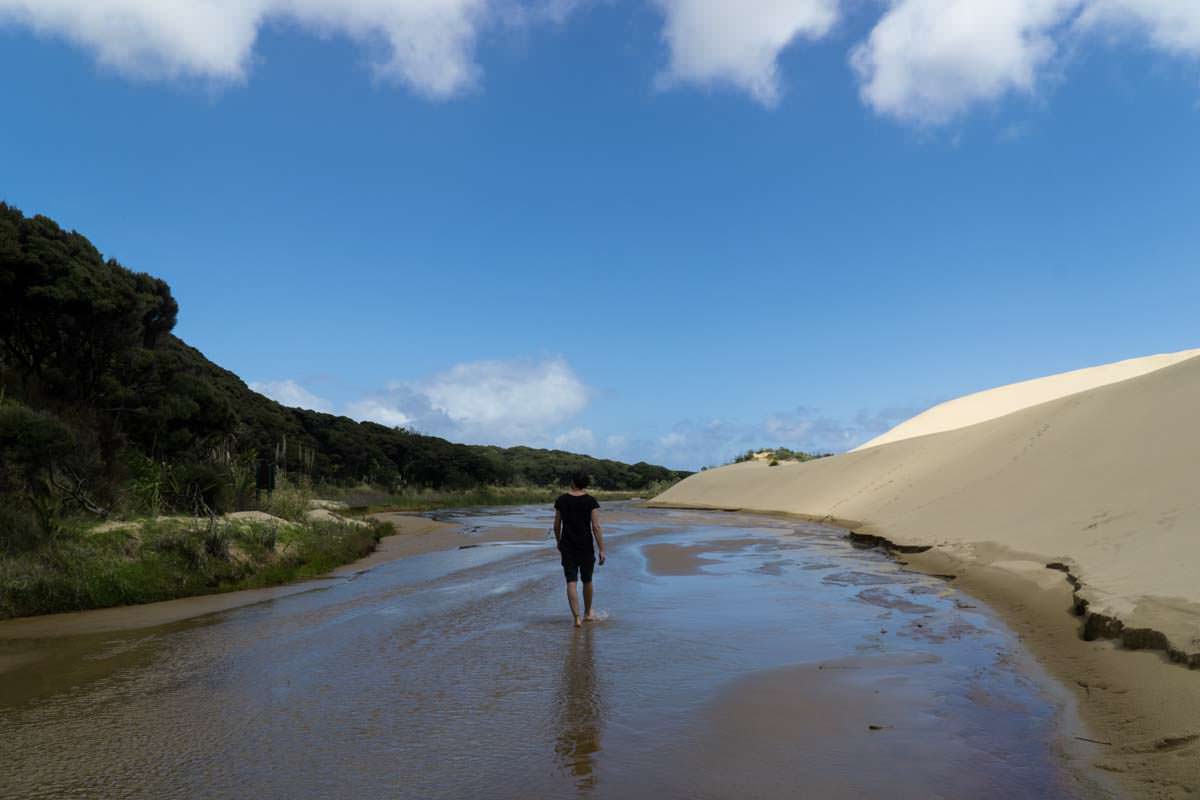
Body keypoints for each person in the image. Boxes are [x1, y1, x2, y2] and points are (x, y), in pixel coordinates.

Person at [554, 471, 606, 627]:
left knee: (571, 581)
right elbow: (595, 527)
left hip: (567, 545)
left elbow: (556, 525)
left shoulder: (561, 500)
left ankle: (576, 618)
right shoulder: (590, 501)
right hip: (585, 546)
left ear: (573, 482)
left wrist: (559, 541)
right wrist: (602, 549)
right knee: (587, 580)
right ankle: (588, 613)